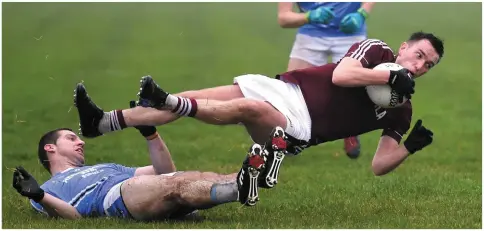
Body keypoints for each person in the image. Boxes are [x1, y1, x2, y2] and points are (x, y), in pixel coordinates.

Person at [75, 32, 443, 188]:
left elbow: (379, 166)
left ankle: (170, 102)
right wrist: (388, 77)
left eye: (429, 65)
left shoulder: (402, 110)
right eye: (420, 54)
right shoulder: (376, 51)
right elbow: (343, 75)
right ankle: (103, 122)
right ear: (404, 47)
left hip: (298, 129)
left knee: (247, 108)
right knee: (199, 94)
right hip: (287, 89)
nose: (421, 64)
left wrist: (412, 145)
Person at [11, 89, 289, 220]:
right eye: (71, 138)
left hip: (132, 188)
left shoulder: (106, 166)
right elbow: (74, 218)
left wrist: (150, 133)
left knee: (191, 177)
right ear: (50, 148)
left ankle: (255, 178)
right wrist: (38, 196)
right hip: (115, 198)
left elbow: (163, 169)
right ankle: (240, 186)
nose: (81, 142)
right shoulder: (48, 189)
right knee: (177, 184)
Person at [277, 2, 377, 158]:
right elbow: (283, 18)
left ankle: (350, 130)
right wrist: (309, 16)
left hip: (350, 33)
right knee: (291, 89)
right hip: (311, 34)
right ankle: (288, 137)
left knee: (354, 89)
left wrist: (362, 14)